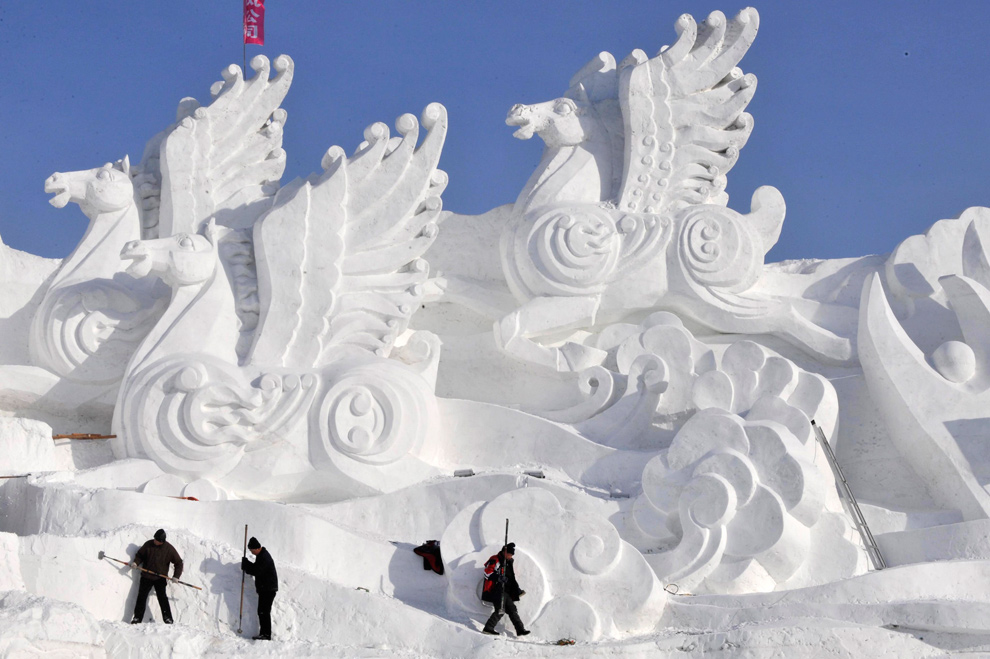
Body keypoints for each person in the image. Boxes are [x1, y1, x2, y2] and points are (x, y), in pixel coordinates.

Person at [129, 528, 183, 624]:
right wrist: (136, 563)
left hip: (160, 578)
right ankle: (137, 618)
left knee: (162, 598)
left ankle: (168, 619)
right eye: (154, 539)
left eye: (157, 540)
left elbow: (179, 562)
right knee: (141, 597)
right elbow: (140, 555)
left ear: (162, 541)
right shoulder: (148, 544)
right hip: (146, 576)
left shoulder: (169, 549)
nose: (155, 541)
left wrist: (176, 576)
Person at [481, 542, 530, 636]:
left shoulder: (509, 562)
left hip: (506, 591)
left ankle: (520, 630)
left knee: (512, 610)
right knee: (500, 609)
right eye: (509, 554)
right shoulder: (495, 559)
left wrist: (517, 590)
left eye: (512, 555)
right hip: (496, 590)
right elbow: (487, 573)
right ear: (504, 552)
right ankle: (488, 628)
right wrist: (498, 577)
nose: (510, 556)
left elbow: (511, 578)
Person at [241, 536, 278, 641]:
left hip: (268, 589)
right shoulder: (262, 556)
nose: (251, 552)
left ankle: (266, 635)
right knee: (262, 611)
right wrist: (247, 564)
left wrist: (246, 565)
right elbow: (257, 569)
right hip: (266, 588)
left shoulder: (264, 557)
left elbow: (256, 571)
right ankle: (264, 634)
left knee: (264, 611)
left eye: (252, 550)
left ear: (256, 548)